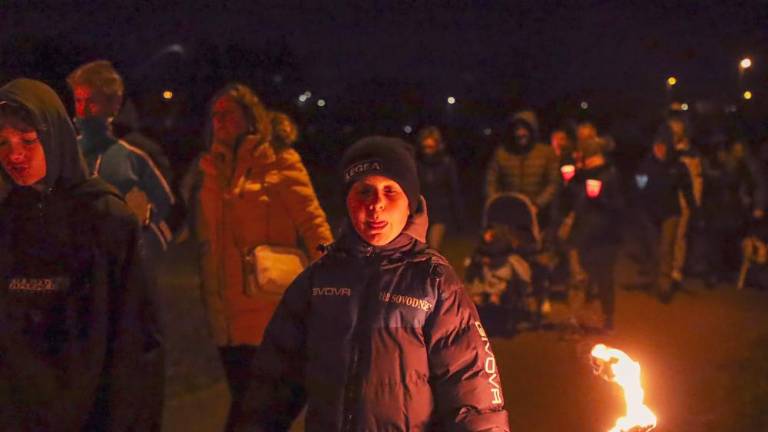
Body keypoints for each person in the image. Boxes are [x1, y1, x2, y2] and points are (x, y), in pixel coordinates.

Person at [235, 136, 510, 431]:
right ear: (347, 201)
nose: (376, 204)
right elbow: (274, 380)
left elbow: (472, 386)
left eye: (390, 191)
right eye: (363, 191)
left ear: (410, 203)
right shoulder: (318, 280)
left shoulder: (433, 281)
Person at [0, 78, 163, 430]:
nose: (14, 155)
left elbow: (136, 340)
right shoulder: (7, 219)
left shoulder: (105, 218)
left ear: (55, 136)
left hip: (91, 416)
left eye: (28, 140)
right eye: (3, 143)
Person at [194, 83, 333, 426]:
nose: (219, 121)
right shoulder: (208, 170)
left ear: (251, 117)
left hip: (270, 308)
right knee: (250, 407)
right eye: (215, 115)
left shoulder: (279, 160)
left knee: (256, 411)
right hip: (225, 318)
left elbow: (314, 224)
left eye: (228, 113)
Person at [67, 60, 176, 253]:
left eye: (92, 102)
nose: (83, 110)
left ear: (114, 104)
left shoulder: (133, 157)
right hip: (75, 254)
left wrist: (143, 217)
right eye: (78, 101)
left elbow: (165, 203)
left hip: (118, 255)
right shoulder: (66, 152)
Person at [558, 138, 622, 331]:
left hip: (604, 238)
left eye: (584, 157)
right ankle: (575, 320)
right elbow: (571, 203)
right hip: (581, 235)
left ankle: (607, 318)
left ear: (595, 157)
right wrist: (567, 184)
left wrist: (599, 198)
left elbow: (618, 207)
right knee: (577, 279)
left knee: (604, 279)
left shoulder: (610, 175)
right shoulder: (580, 176)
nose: (581, 161)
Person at [634, 125, 695, 302]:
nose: (659, 150)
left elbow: (687, 189)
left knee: (666, 248)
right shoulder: (645, 166)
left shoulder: (678, 166)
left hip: (670, 212)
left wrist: (695, 209)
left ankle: (664, 286)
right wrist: (639, 205)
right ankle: (656, 278)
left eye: (663, 146)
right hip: (650, 214)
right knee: (655, 248)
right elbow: (638, 189)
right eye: (657, 146)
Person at [485, 110, 560, 226]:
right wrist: (497, 203)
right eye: (517, 129)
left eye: (524, 129)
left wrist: (537, 205)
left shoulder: (546, 153)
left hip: (539, 214)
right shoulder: (502, 153)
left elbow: (553, 183)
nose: (520, 133)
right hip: (509, 212)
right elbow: (491, 181)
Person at [415, 125, 464, 250]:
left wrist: (458, 216)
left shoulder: (446, 163)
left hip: (440, 212)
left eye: (431, 147)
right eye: (425, 147)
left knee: (433, 246)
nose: (427, 151)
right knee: (419, 248)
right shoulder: (416, 163)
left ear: (437, 146)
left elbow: (453, 190)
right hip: (420, 211)